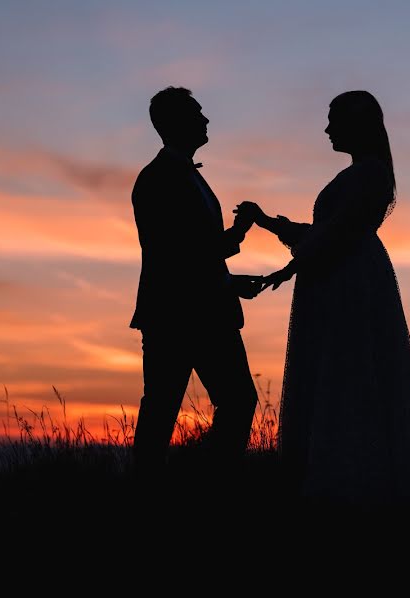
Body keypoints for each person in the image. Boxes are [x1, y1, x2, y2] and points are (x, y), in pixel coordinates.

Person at [238, 91, 410, 503]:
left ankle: (354, 484)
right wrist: (269, 224)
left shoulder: (371, 174)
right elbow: (328, 233)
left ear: (357, 125)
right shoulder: (362, 174)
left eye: (334, 120)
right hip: (336, 276)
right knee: (333, 373)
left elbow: (338, 234)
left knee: (351, 371)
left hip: (350, 282)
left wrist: (289, 266)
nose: (328, 129)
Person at [130, 86, 263, 473]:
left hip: (202, 312)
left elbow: (195, 251)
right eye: (197, 114)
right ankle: (199, 486)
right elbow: (176, 253)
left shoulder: (184, 176)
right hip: (179, 316)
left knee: (228, 401)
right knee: (166, 408)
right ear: (176, 123)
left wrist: (238, 234)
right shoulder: (158, 179)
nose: (206, 120)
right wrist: (230, 276)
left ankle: (201, 483)